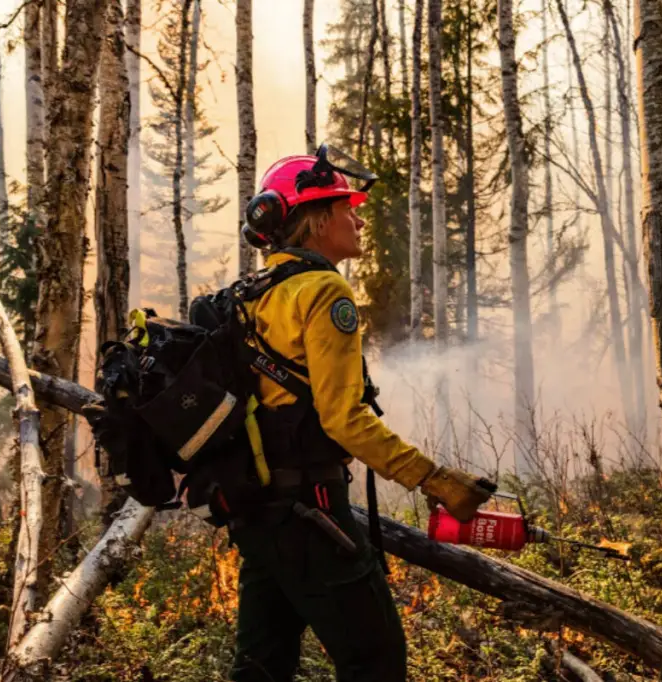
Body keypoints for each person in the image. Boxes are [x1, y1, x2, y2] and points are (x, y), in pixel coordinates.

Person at [228, 144, 496, 682]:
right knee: (375, 661)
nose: (357, 217)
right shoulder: (324, 289)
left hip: (256, 510)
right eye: (344, 206)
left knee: (262, 668)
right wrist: (435, 480)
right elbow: (343, 419)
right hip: (311, 510)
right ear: (316, 218)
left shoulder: (248, 296)